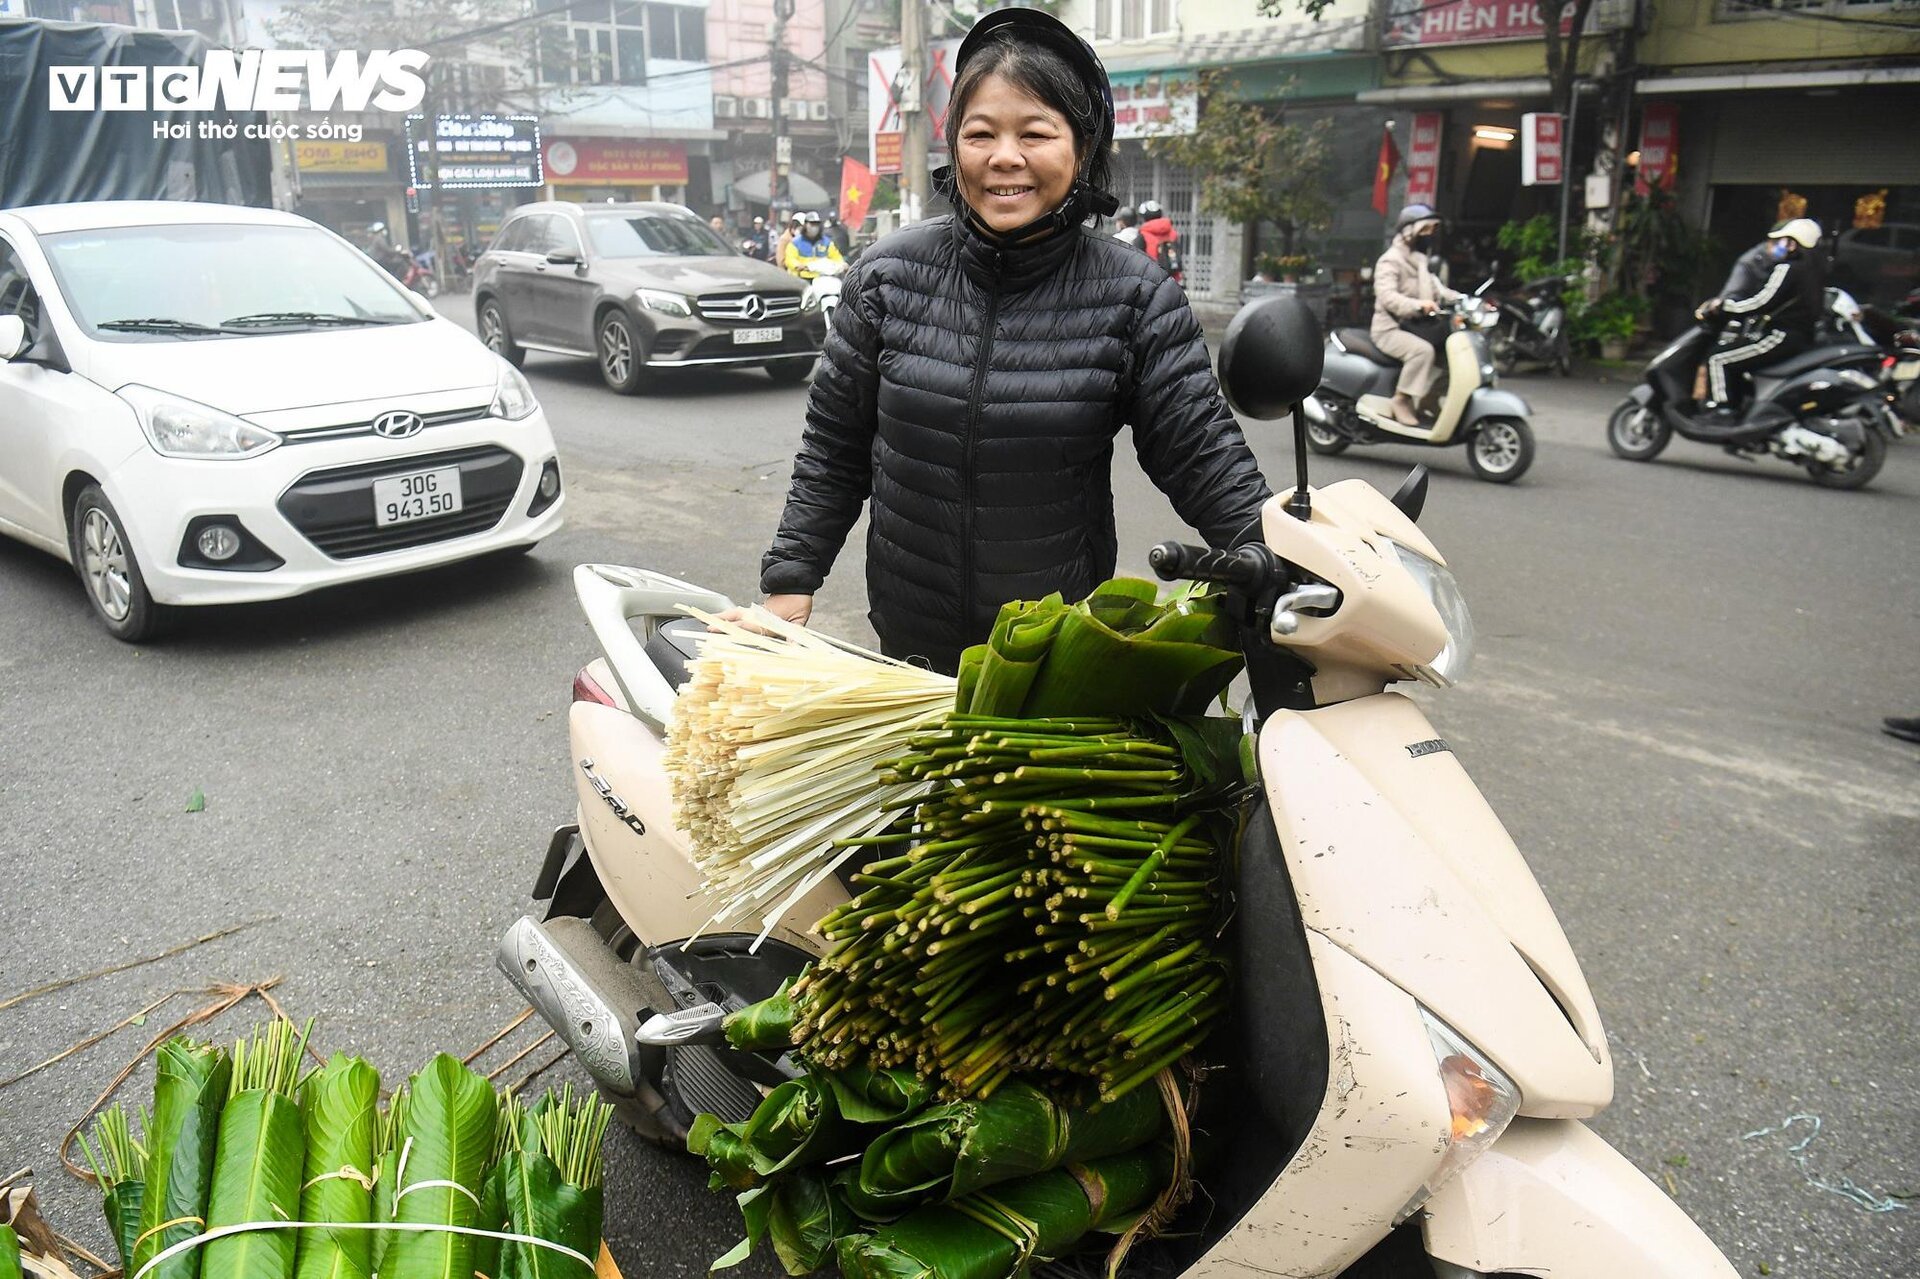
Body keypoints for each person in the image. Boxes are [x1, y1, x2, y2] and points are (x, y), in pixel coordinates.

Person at [750, 7, 1271, 673]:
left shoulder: (1135, 298)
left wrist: (1287, 557)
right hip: (911, 643)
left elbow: (1202, 456)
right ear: (954, 146)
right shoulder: (886, 277)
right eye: (980, 133)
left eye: (1035, 133)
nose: (1004, 157)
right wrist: (791, 579)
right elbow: (833, 449)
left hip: (1051, 650)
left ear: (1082, 148)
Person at [1695, 218, 1824, 419]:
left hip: (1780, 336)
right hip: (1801, 337)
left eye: (1782, 241)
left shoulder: (1787, 268)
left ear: (1793, 243)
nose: (1778, 246)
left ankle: (1722, 412)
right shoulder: (1815, 270)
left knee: (1718, 359)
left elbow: (1762, 302)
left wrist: (1724, 307)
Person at [1371, 203, 1462, 427]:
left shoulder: (1420, 261)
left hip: (1418, 326)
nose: (1429, 236)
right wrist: (1418, 305)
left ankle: (1431, 398)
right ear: (1408, 231)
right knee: (1422, 352)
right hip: (1390, 328)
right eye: (1425, 230)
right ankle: (1401, 399)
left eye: (1432, 230)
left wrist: (1464, 300)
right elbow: (1387, 296)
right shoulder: (1390, 260)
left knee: (1454, 357)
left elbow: (1438, 290)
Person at [785, 211, 845, 279]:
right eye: (812, 224)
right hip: (801, 278)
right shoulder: (796, 242)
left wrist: (842, 264)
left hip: (821, 278)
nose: (814, 227)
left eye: (817, 224)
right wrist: (798, 266)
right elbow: (790, 259)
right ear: (805, 225)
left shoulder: (826, 242)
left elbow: (836, 257)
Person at [1136, 199, 1181, 281]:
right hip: (1173, 281)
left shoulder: (1142, 236)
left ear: (1144, 217)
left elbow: (1136, 262)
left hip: (1151, 281)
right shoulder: (1173, 233)